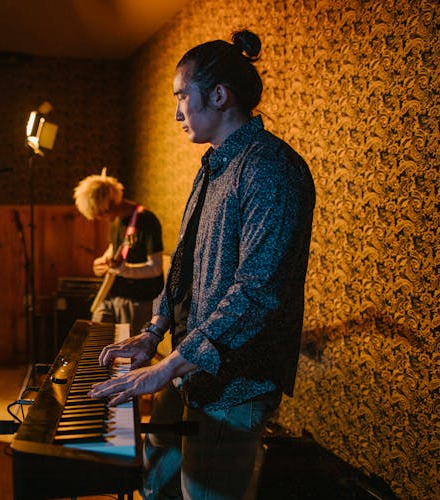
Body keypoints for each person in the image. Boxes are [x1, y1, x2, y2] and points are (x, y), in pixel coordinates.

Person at [88, 30, 316, 499]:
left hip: (235, 382)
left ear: (218, 95)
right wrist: (154, 333)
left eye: (180, 97)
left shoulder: (270, 168)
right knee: (159, 474)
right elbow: (184, 268)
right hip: (192, 367)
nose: (176, 113)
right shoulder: (213, 165)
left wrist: (170, 365)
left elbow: (257, 293)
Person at [73, 170, 164, 335]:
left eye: (101, 213)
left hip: (138, 301)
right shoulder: (116, 221)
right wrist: (100, 263)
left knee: (129, 355)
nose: (100, 218)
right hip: (113, 296)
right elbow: (113, 250)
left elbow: (156, 268)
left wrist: (125, 270)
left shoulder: (146, 220)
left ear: (112, 202)